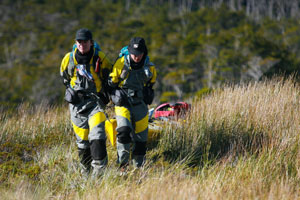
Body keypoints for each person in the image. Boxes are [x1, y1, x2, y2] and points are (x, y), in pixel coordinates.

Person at [60, 28, 112, 177]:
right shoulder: (68, 59)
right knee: (82, 142)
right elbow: (64, 77)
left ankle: (99, 174)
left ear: (91, 42)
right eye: (79, 42)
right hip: (77, 106)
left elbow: (110, 77)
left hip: (95, 103)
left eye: (85, 42)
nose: (82, 45)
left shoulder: (100, 57)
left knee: (97, 136)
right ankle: (86, 173)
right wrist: (71, 92)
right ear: (76, 43)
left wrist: (106, 94)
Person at [108, 37, 157, 171]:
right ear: (129, 52)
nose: (136, 57)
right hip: (123, 103)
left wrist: (148, 93)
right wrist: (115, 94)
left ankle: (138, 167)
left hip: (140, 103)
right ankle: (122, 165)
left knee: (141, 137)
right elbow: (111, 84)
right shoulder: (121, 64)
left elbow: (151, 83)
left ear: (144, 53)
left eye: (139, 54)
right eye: (134, 54)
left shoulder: (149, 67)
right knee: (124, 130)